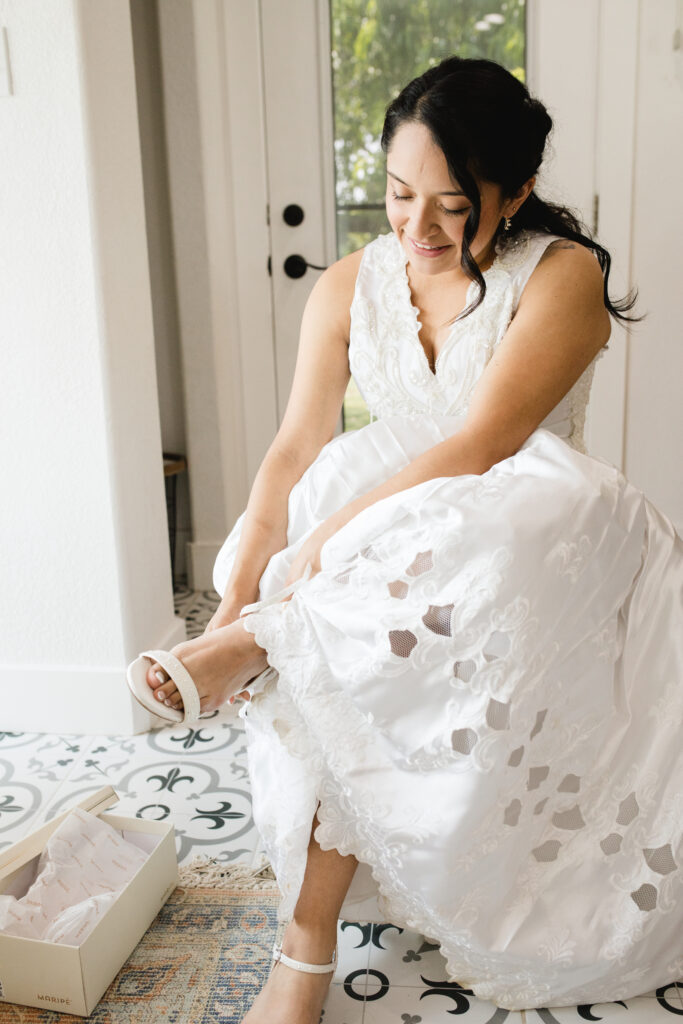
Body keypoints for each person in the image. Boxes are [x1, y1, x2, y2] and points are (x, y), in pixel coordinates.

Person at [137, 57, 683, 1018]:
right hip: (399, 510)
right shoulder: (351, 283)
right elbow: (293, 449)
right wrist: (227, 603)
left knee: (360, 555)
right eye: (396, 195)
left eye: (451, 204)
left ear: (513, 193)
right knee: (319, 525)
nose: (416, 229)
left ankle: (266, 642)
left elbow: (483, 442)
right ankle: (300, 944)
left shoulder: (563, 277)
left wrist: (317, 558)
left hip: (528, 519)